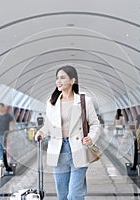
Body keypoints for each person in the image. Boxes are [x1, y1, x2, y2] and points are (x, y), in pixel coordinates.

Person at [35, 65, 100, 200]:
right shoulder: (51, 102)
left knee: (75, 194)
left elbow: (95, 124)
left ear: (72, 81)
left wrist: (91, 137)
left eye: (63, 77)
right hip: (58, 151)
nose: (59, 81)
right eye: (57, 78)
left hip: (78, 149)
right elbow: (49, 125)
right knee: (62, 195)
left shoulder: (84, 101)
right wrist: (41, 132)